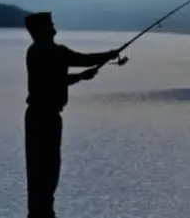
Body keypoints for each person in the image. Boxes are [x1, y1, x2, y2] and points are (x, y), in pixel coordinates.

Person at [23, 12, 120, 218]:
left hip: (37, 116)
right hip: (46, 118)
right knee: (48, 170)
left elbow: (54, 79)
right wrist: (109, 55)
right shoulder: (52, 51)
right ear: (41, 30)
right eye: (50, 24)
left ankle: (39, 213)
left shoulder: (36, 51)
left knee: (39, 170)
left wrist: (81, 76)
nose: (54, 27)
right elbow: (81, 60)